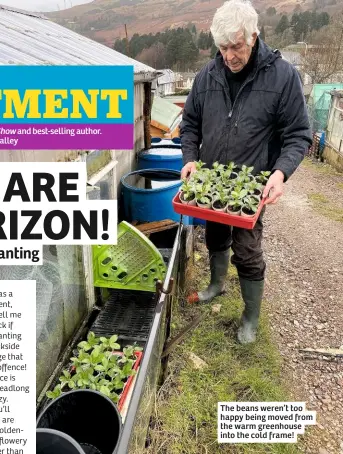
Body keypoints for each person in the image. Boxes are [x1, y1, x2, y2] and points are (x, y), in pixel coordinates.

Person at [180, 0, 312, 344]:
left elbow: (299, 135)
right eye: (222, 47)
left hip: (249, 187)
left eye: (235, 46)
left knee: (248, 251)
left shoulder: (283, 77)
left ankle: (250, 317)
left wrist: (280, 173)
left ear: (254, 36)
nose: (229, 56)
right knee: (214, 237)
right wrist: (190, 158)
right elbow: (190, 124)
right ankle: (216, 284)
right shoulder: (206, 76)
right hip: (212, 181)